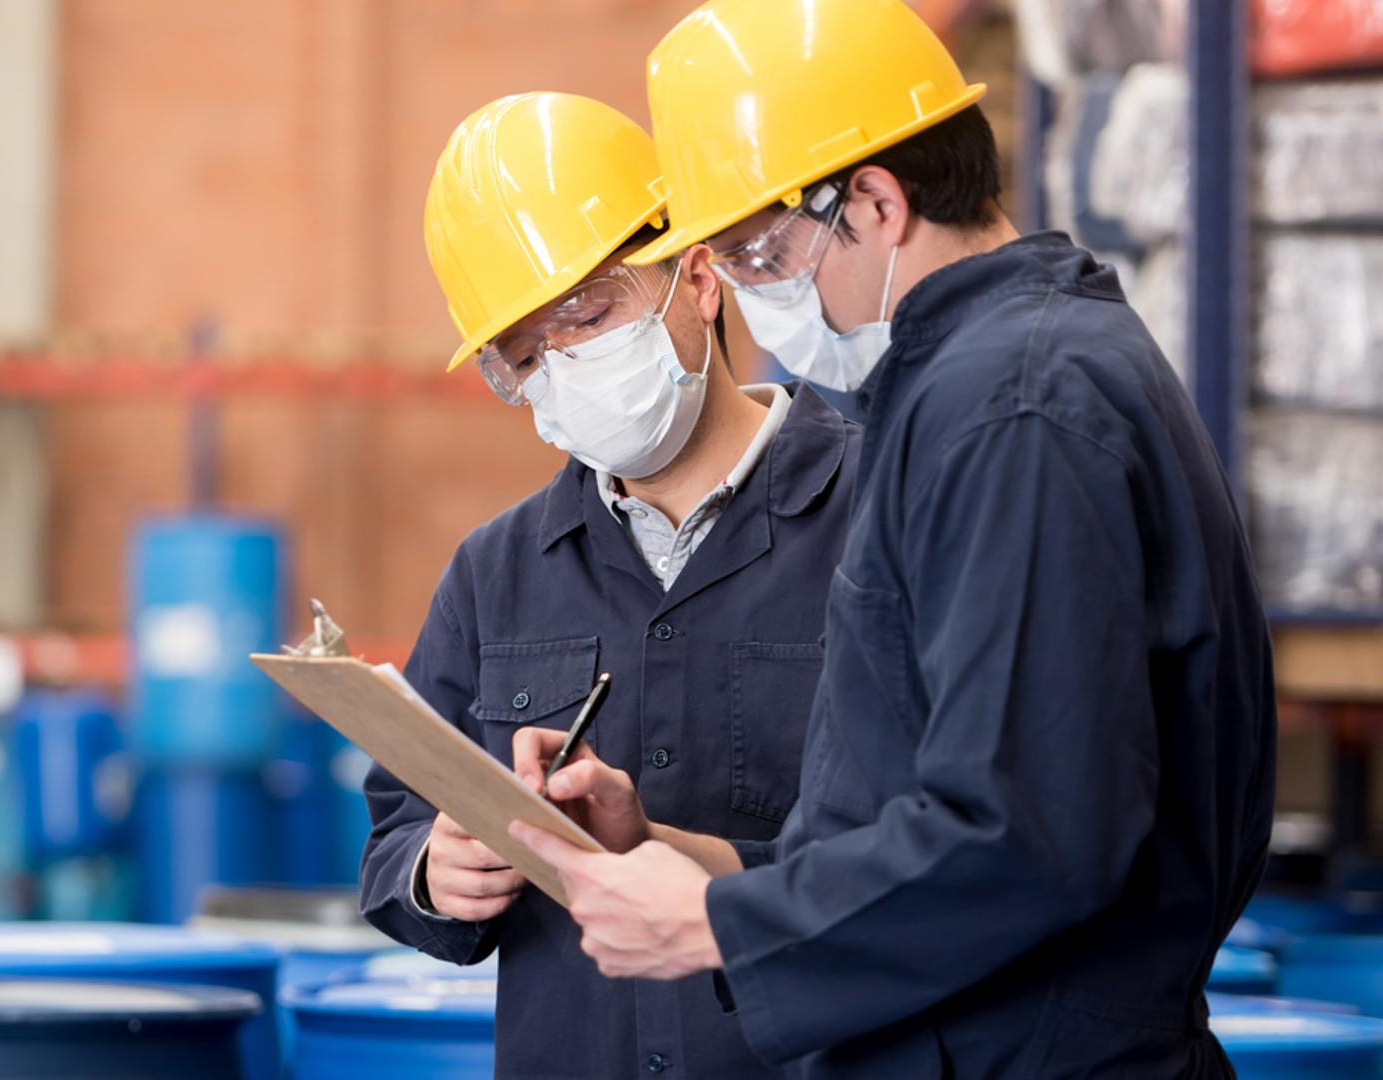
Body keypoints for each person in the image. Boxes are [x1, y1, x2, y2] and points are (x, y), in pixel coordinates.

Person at [508, 2, 1276, 1076]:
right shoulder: (981, 383)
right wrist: (682, 861)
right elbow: (922, 809)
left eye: (757, 253)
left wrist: (725, 930)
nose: (755, 298)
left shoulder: (1014, 409)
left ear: (873, 200)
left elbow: (1030, 830)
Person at [358, 91, 860, 1077]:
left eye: (587, 315)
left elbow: (941, 848)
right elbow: (394, 829)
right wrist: (433, 871)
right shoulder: (495, 574)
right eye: (526, 355)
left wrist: (703, 880)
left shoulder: (883, 520)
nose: (565, 367)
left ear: (701, 280)